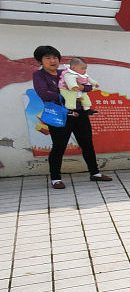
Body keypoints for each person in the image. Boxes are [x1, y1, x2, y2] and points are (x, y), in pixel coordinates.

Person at [31, 45, 111, 189]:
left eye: (55, 57)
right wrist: (66, 95)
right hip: (60, 114)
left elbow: (87, 86)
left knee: (87, 143)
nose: (53, 61)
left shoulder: (66, 72)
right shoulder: (39, 75)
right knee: (59, 146)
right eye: (48, 58)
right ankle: (55, 178)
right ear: (40, 61)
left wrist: (82, 88)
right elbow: (44, 93)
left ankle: (95, 173)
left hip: (79, 113)